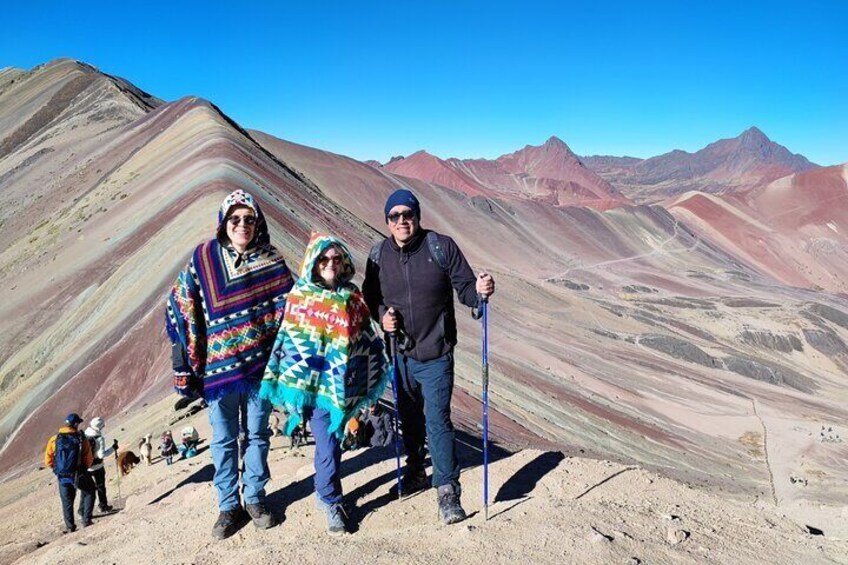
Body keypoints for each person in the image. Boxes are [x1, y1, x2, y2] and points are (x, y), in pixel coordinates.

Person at [165, 189, 294, 539]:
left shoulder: (272, 260)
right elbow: (180, 300)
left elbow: (290, 310)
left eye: (249, 219)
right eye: (235, 219)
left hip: (259, 370)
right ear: (224, 222)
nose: (242, 225)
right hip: (218, 372)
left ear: (258, 223)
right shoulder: (204, 258)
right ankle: (227, 505)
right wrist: (189, 353)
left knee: (257, 434)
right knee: (223, 440)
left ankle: (254, 496)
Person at [363, 188, 495, 525]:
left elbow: (465, 287)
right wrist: (381, 315)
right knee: (409, 419)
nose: (402, 221)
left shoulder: (440, 247)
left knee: (437, 421)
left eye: (408, 215)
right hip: (399, 355)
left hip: (436, 353)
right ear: (387, 221)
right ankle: (416, 470)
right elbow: (369, 295)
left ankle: (447, 489)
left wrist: (479, 294)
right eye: (395, 216)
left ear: (418, 216)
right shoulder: (379, 255)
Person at [261, 233, 389, 535]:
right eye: (324, 259)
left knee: (333, 444)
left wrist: (371, 371)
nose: (330, 264)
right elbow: (290, 343)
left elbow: (365, 340)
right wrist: (295, 385)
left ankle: (324, 489)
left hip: (344, 387)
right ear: (314, 263)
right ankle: (330, 499)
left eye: (335, 258)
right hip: (313, 390)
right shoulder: (301, 297)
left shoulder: (352, 297)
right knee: (329, 443)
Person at [44, 413, 95, 533]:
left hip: (62, 476)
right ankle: (86, 520)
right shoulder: (82, 438)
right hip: (79, 473)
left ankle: (70, 527)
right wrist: (83, 469)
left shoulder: (54, 439)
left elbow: (48, 460)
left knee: (67, 501)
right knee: (90, 491)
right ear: (75, 424)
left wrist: (57, 470)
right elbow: (89, 459)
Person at [83, 416, 114, 512]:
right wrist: (113, 448)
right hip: (97, 466)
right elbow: (101, 455)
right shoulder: (99, 438)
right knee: (100, 486)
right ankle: (103, 506)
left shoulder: (85, 434)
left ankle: (83, 510)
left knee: (86, 490)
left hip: (86, 467)